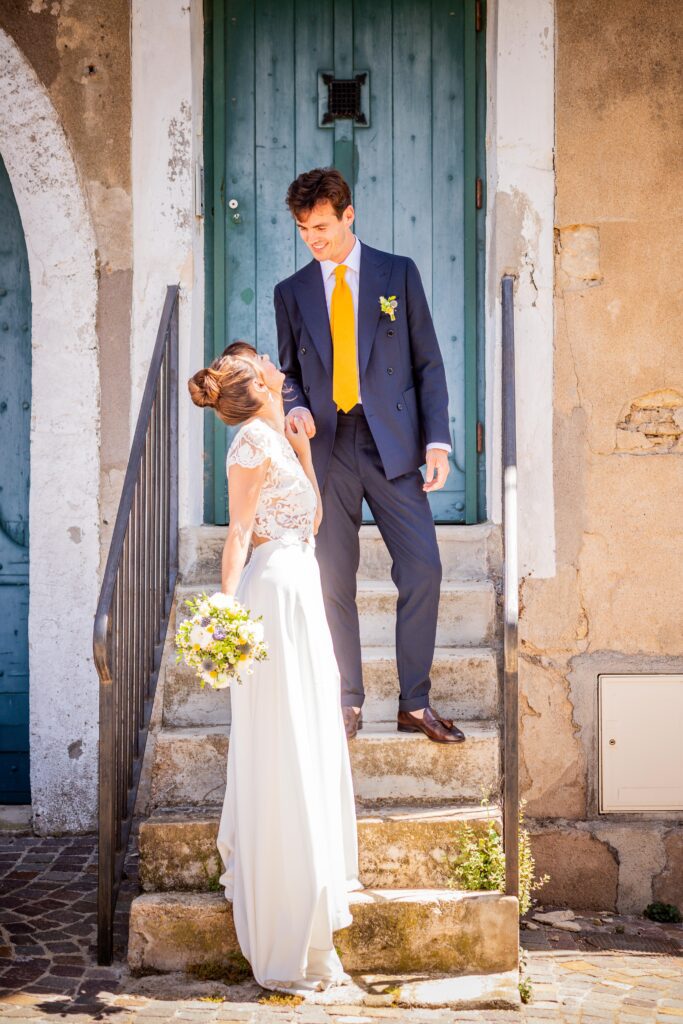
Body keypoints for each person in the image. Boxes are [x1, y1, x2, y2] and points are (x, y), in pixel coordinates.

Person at [188, 346, 360, 994]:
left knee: (306, 738)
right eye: (266, 361)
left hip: (298, 586)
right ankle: (288, 928)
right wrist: (223, 613)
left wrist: (304, 445)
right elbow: (238, 533)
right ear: (259, 381)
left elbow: (310, 518)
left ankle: (309, 904)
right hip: (272, 595)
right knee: (283, 743)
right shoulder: (248, 448)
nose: (274, 360)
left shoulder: (276, 436)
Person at [274, 167, 466, 744]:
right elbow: (286, 373)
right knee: (334, 579)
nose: (315, 238)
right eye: (305, 228)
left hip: (393, 445)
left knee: (423, 566)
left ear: (348, 214)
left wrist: (437, 441)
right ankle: (347, 702)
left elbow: (427, 361)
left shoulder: (396, 274)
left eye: (324, 226)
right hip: (329, 449)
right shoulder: (291, 292)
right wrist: (294, 406)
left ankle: (415, 702)